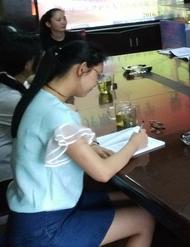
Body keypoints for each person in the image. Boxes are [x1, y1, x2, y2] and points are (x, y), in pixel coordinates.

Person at [6, 40, 155, 246]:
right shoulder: (56, 114)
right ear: (82, 68)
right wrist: (134, 144)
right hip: (44, 226)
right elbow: (102, 173)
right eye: (97, 75)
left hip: (37, 210)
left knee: (133, 201)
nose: (96, 83)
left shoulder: (40, 97)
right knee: (144, 219)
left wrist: (90, 147)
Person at [0, 33, 42, 206]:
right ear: (28, 64)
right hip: (8, 175)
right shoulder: (9, 98)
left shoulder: (9, 79)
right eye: (39, 56)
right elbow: (44, 124)